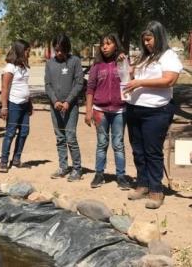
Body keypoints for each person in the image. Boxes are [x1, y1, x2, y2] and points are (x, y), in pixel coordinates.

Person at [125, 21, 183, 209]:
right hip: (135, 109)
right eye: (144, 40)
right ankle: (143, 184)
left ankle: (156, 190)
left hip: (156, 111)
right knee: (138, 150)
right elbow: (134, 78)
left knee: (152, 150)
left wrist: (140, 82)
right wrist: (129, 72)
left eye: (149, 39)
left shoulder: (168, 56)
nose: (147, 43)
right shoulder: (143, 57)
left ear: (159, 37)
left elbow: (169, 80)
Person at [85, 33, 131, 190]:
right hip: (100, 111)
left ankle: (121, 176)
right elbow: (90, 88)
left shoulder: (123, 62)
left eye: (108, 43)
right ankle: (99, 174)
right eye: (102, 44)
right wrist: (88, 111)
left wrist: (124, 63)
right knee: (102, 143)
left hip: (119, 110)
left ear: (116, 45)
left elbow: (130, 81)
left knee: (118, 144)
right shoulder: (97, 65)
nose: (104, 47)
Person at [45, 34, 84, 181]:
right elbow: (47, 85)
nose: (59, 53)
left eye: (62, 50)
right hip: (55, 106)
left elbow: (79, 83)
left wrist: (68, 101)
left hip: (71, 107)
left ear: (67, 48)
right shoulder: (49, 63)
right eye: (57, 50)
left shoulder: (75, 61)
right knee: (60, 137)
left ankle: (77, 169)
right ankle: (63, 166)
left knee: (70, 137)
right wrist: (55, 101)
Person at [0, 39, 32, 173]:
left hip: (24, 105)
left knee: (24, 132)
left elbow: (25, 86)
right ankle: (3, 161)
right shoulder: (10, 68)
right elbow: (5, 88)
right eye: (27, 51)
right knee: (10, 132)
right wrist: (4, 106)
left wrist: (30, 103)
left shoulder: (23, 67)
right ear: (20, 51)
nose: (29, 54)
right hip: (14, 105)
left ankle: (17, 159)